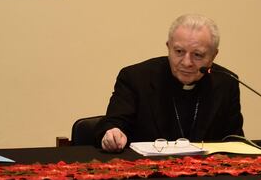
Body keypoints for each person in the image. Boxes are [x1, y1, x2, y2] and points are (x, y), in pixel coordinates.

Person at [96, 14, 243, 152]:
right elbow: (113, 123)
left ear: (213, 55)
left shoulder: (226, 83)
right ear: (168, 47)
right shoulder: (136, 78)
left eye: (197, 55)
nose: (187, 63)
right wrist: (113, 133)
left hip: (206, 175)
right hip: (147, 174)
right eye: (179, 51)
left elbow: (234, 141)